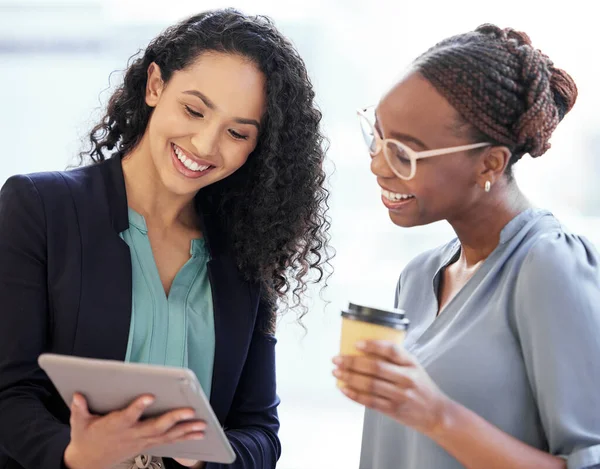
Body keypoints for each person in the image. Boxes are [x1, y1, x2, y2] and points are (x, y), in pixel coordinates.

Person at [0, 9, 330, 469]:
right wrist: (75, 455)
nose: (204, 145)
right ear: (155, 85)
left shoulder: (247, 250)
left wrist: (200, 455)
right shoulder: (39, 207)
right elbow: (9, 392)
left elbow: (260, 432)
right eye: (193, 110)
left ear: (259, 145)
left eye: (237, 132)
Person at [333, 24, 600, 469]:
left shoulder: (547, 265)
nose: (378, 165)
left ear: (489, 164)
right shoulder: (418, 277)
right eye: (377, 137)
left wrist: (437, 415)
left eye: (404, 153)